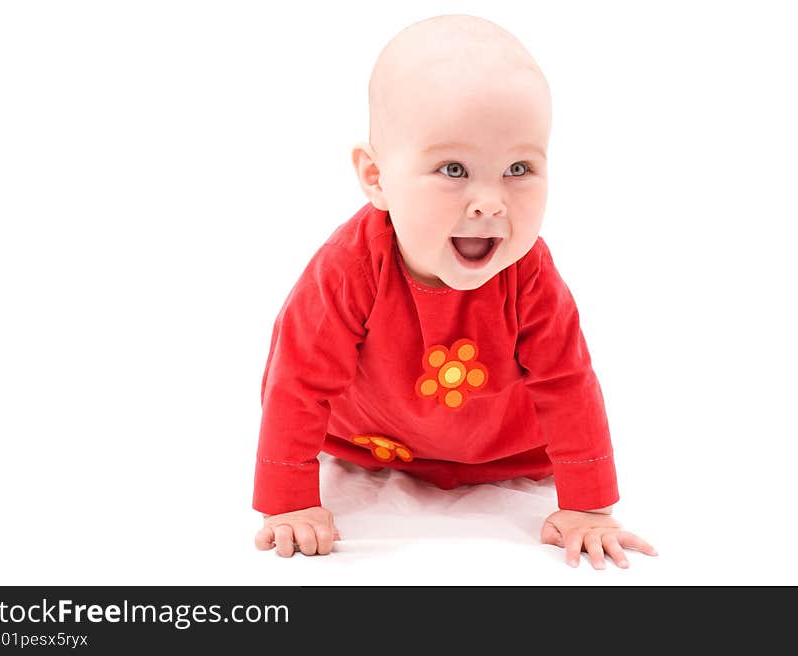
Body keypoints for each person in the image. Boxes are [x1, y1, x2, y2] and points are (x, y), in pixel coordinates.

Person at [252, 14, 657, 569]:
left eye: (518, 167)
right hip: (370, 444)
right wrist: (290, 503)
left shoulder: (530, 273)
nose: (490, 201)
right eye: (453, 168)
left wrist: (588, 507)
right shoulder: (350, 266)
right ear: (376, 178)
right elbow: (297, 378)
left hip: (507, 452)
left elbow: (567, 381)